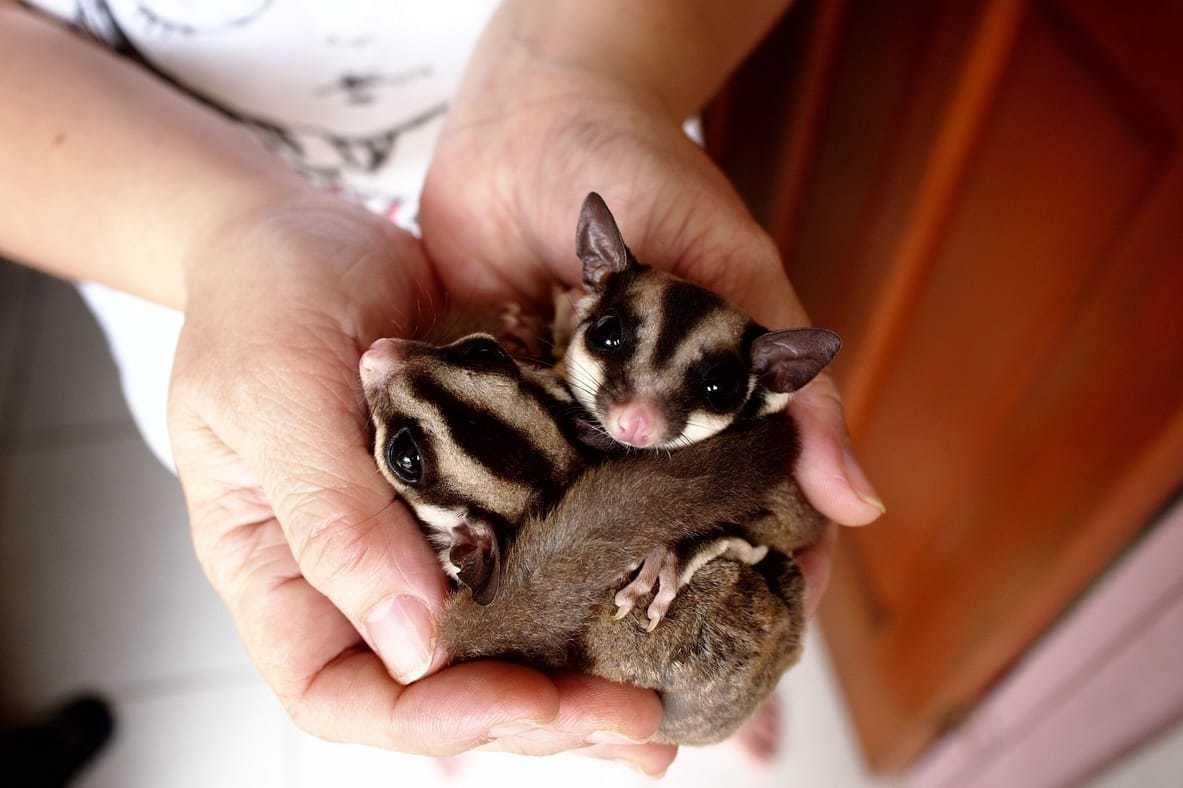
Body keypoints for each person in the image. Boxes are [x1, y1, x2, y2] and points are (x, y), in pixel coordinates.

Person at [0, 0, 884, 776]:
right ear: (590, 291)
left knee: (662, 666)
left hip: (579, 114)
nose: (635, 417)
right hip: (190, 270)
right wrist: (222, 239)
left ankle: (699, 693)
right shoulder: (526, 366)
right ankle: (464, 707)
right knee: (400, 628)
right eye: (610, 343)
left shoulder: (593, 333)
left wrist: (585, 74)